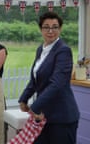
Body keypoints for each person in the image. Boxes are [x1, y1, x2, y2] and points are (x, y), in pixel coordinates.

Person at [18, 11, 80, 144]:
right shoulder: (41, 49)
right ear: (41, 29)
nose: (51, 31)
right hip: (43, 115)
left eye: (55, 27)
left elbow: (57, 84)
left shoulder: (63, 50)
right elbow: (35, 79)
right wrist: (24, 98)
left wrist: (34, 106)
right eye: (46, 27)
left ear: (60, 29)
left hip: (61, 117)